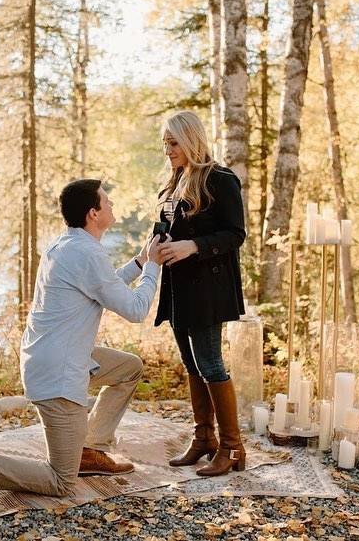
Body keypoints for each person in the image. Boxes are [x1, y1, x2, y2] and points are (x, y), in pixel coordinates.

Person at [0, 179, 166, 505]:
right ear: (93, 213)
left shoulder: (68, 246)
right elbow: (136, 309)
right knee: (60, 480)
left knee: (129, 367)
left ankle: (90, 449)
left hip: (55, 357)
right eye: (107, 202)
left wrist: (139, 262)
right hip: (60, 375)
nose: (113, 206)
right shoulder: (86, 254)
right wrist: (154, 266)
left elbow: (105, 285)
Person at [154, 111, 246, 477]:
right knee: (192, 366)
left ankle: (232, 447)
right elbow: (164, 228)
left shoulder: (221, 180)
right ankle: (204, 439)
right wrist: (156, 245)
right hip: (177, 292)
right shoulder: (174, 182)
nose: (168, 150)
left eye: (173, 143)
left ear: (191, 140)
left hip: (208, 291)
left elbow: (235, 234)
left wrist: (193, 246)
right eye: (165, 143)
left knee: (211, 365)